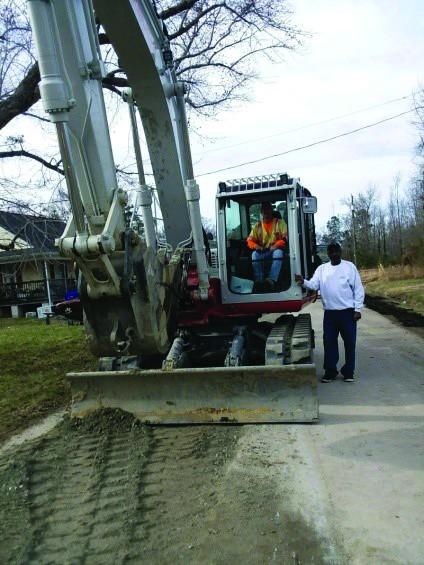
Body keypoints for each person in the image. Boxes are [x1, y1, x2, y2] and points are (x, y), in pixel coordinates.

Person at [295, 242, 364, 383]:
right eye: (331, 252)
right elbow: (314, 284)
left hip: (348, 313)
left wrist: (358, 309)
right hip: (330, 314)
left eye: (336, 251)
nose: (334, 254)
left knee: (350, 343)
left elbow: (358, 289)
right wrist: (303, 281)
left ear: (340, 251)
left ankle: (348, 372)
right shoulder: (322, 269)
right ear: (328, 254)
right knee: (329, 343)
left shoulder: (349, 267)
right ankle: (330, 371)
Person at [247, 202, 287, 292]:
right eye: (264, 210)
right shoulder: (257, 226)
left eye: (268, 209)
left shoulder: (280, 223)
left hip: (275, 250)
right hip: (263, 251)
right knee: (254, 255)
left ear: (272, 211)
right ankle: (259, 282)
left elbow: (285, 239)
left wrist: (275, 246)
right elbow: (249, 240)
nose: (266, 212)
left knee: (278, 253)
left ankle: (270, 281)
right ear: (261, 212)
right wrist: (256, 246)